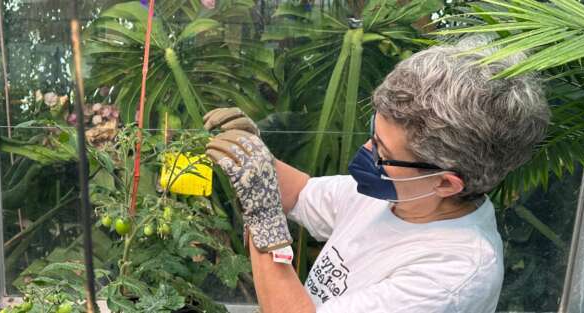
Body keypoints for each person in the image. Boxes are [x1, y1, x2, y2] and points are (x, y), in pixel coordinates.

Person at [204, 37, 550, 312]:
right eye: (375, 135)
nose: (369, 152)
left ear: (446, 182)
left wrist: (264, 220)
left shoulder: (451, 274)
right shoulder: (399, 194)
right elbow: (302, 192)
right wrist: (254, 154)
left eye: (384, 153)